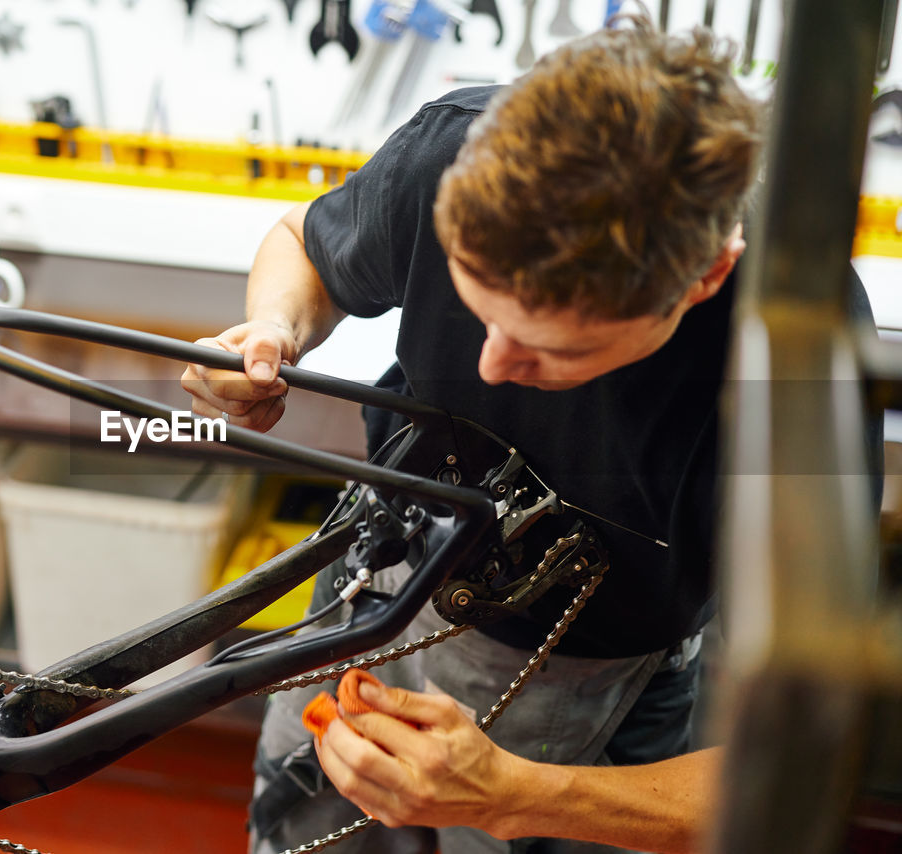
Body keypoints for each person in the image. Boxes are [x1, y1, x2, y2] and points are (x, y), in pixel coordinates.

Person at [181, 14, 875, 854]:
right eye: (477, 308)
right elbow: (307, 246)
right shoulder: (452, 155)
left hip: (600, 684)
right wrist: (273, 329)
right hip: (378, 579)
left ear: (705, 277)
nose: (491, 366)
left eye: (554, 348)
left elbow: (788, 769)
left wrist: (518, 797)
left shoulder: (796, 353)